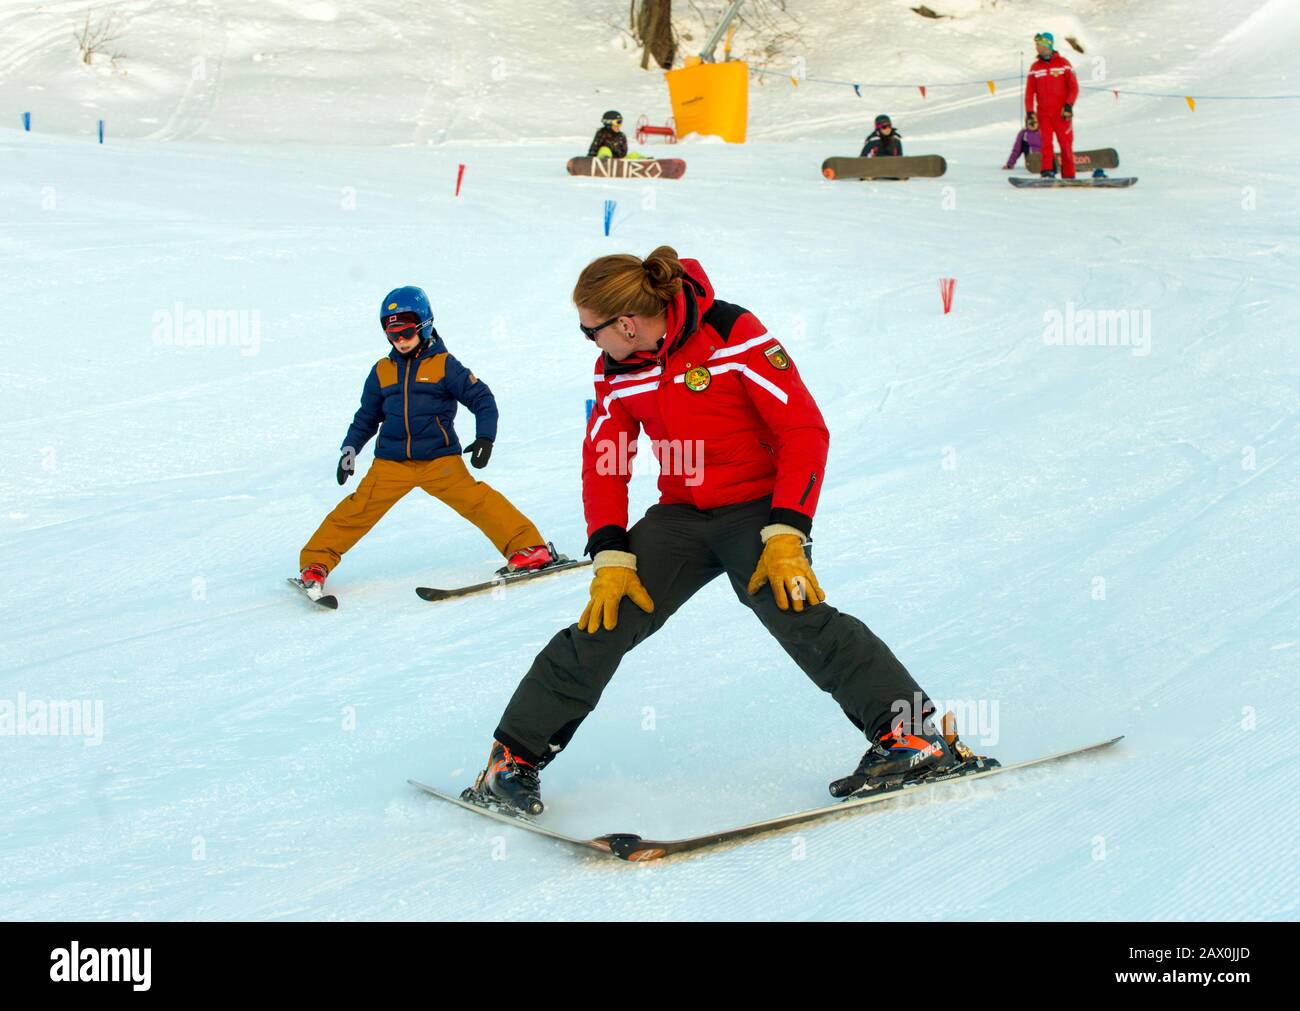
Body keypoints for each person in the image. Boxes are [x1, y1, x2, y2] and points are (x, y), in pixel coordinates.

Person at [471, 246, 967, 816]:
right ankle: (510, 762)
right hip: (682, 514)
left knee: (796, 612)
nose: (589, 342)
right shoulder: (616, 368)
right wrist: (609, 549)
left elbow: (804, 429)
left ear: (626, 323)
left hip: (760, 511)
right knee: (604, 622)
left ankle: (916, 737)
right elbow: (606, 459)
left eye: (591, 331)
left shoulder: (732, 332)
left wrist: (787, 532)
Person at [296, 286, 553, 596]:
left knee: (478, 501)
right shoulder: (382, 371)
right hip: (391, 463)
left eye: (405, 332)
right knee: (356, 510)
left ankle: (530, 549)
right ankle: (315, 565)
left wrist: (485, 437)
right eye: (392, 335)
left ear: (424, 324)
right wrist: (349, 449)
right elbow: (366, 416)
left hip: (439, 460)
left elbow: (482, 399)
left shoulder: (444, 365)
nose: (400, 341)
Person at [1024, 31, 1078, 178]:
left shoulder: (1063, 63)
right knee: (1046, 144)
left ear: (1047, 44)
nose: (1037, 47)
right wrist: (1030, 112)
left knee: (1065, 145)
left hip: (1061, 113)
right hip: (1043, 113)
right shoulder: (1035, 67)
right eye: (1036, 45)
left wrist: (1068, 105)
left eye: (1039, 44)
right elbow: (1029, 93)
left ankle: (1069, 175)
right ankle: (1047, 171)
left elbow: (1073, 87)